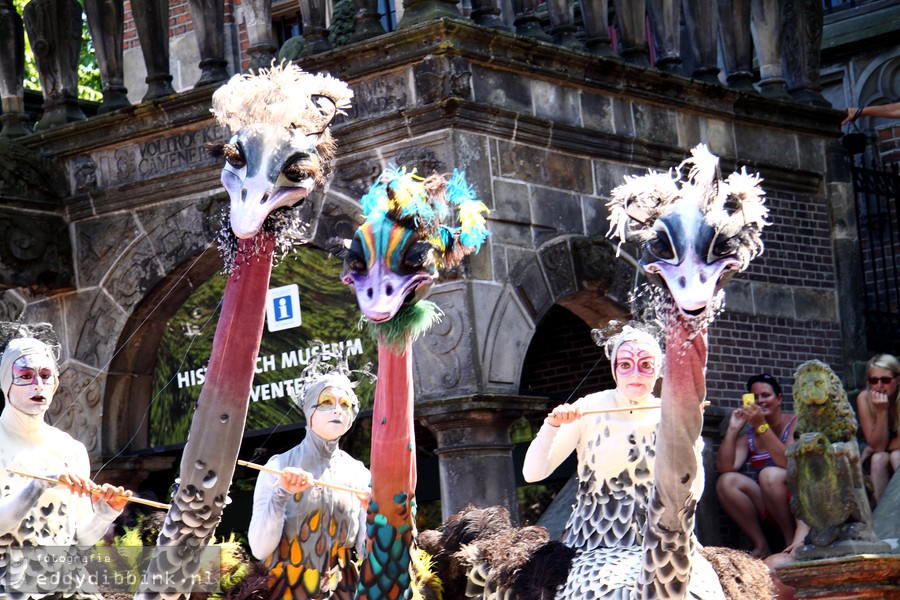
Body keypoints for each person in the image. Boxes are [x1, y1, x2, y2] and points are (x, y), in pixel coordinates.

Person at [0, 327, 131, 597]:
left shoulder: (70, 449)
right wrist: (39, 483)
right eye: (25, 376)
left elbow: (80, 539)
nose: (38, 384)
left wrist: (107, 512)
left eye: (46, 376)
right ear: (6, 382)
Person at [522, 325, 663, 551]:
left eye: (645, 365)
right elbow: (532, 473)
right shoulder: (588, 407)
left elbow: (693, 489)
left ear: (657, 369)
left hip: (661, 540)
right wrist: (551, 426)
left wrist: (691, 433)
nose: (636, 374)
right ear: (614, 369)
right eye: (626, 365)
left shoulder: (670, 414)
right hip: (593, 540)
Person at [248, 371, 371, 600]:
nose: (338, 410)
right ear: (309, 411)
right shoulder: (278, 466)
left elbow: (366, 552)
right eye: (326, 402)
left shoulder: (359, 473)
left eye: (345, 404)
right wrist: (281, 493)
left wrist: (378, 516)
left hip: (343, 591)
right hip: (284, 591)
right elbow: (259, 548)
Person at [716, 373, 798, 558]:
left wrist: (762, 425)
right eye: (755, 397)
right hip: (769, 504)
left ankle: (791, 541)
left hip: (797, 502)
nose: (760, 401)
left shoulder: (794, 423)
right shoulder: (750, 436)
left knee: (769, 474)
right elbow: (725, 467)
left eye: (766, 395)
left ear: (778, 399)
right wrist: (732, 429)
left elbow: (787, 463)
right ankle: (761, 544)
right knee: (726, 481)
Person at [855, 353, 900, 506]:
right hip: (884, 453)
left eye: (886, 380)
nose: (879, 385)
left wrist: (872, 448)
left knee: (896, 457)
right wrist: (882, 412)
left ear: (897, 380)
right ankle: (883, 520)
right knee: (878, 459)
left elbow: (876, 446)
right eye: (874, 380)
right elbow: (878, 447)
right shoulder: (864, 399)